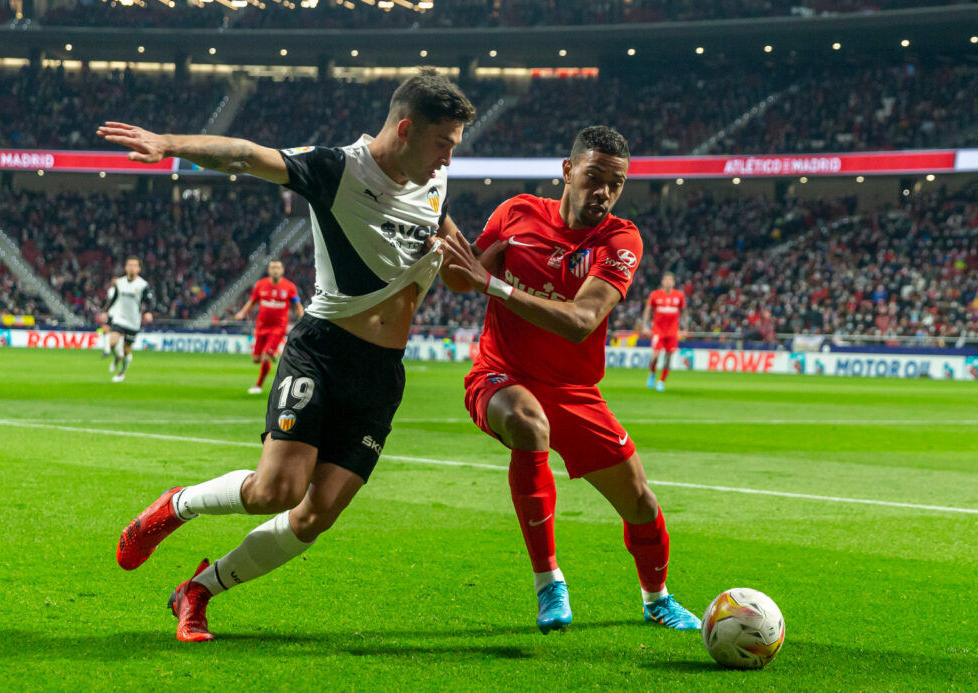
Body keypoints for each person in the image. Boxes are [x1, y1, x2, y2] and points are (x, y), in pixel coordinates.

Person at [98, 68, 476, 642]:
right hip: (323, 352)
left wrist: (462, 258)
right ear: (406, 129)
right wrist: (169, 144)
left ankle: (197, 591)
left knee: (315, 516)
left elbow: (459, 267)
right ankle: (176, 507)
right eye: (443, 143)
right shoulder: (338, 169)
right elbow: (246, 155)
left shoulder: (434, 184)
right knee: (275, 491)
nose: (449, 158)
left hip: (380, 376)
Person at [441, 126, 701, 634]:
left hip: (574, 391)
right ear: (568, 170)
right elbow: (462, 275)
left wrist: (493, 286)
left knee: (641, 503)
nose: (603, 192)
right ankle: (549, 582)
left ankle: (657, 599)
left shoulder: (619, 239)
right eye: (593, 177)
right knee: (528, 424)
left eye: (615, 184)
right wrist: (441, 223)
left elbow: (582, 321)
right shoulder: (516, 213)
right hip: (501, 374)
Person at [234, 259, 304, 394]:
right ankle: (273, 353)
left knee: (265, 357)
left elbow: (297, 305)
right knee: (256, 359)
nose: (275, 270)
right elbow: (252, 302)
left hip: (278, 327)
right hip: (261, 326)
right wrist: (242, 312)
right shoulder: (260, 285)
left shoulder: (289, 287)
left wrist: (302, 318)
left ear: (282, 270)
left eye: (277, 267)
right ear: (268, 270)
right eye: (272, 267)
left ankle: (258, 385)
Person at [99, 256, 153, 383]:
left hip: (133, 321)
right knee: (112, 341)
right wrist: (105, 311)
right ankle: (116, 356)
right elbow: (113, 299)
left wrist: (149, 312)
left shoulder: (143, 285)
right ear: (126, 267)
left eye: (135, 265)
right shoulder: (120, 282)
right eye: (130, 265)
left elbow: (150, 301)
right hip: (119, 318)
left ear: (139, 269)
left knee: (126, 348)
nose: (132, 268)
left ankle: (122, 372)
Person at [641, 272, 687, 392]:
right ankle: (652, 373)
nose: (668, 282)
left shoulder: (679, 295)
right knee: (655, 355)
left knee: (668, 358)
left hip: (672, 332)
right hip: (658, 330)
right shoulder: (655, 295)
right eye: (666, 280)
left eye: (670, 280)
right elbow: (647, 310)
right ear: (662, 282)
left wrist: (685, 328)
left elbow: (684, 312)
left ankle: (661, 382)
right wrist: (645, 326)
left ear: (673, 283)